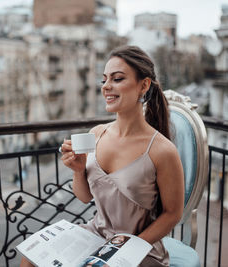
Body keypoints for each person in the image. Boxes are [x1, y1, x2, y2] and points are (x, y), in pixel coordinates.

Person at [20, 45, 184, 267]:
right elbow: (85, 197)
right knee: (31, 257)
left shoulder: (162, 150)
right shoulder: (96, 134)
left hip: (138, 246)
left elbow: (173, 214)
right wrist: (78, 170)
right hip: (96, 234)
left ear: (143, 85)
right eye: (104, 79)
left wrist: (126, 247)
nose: (106, 86)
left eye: (117, 79)